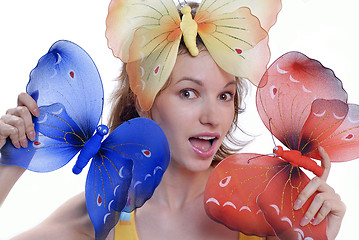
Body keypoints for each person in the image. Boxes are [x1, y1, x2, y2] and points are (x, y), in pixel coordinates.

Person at [0, 1, 346, 240]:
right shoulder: (101, 213)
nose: (212, 117)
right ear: (145, 100)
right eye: (188, 93)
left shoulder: (269, 204)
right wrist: (9, 164)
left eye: (225, 95)